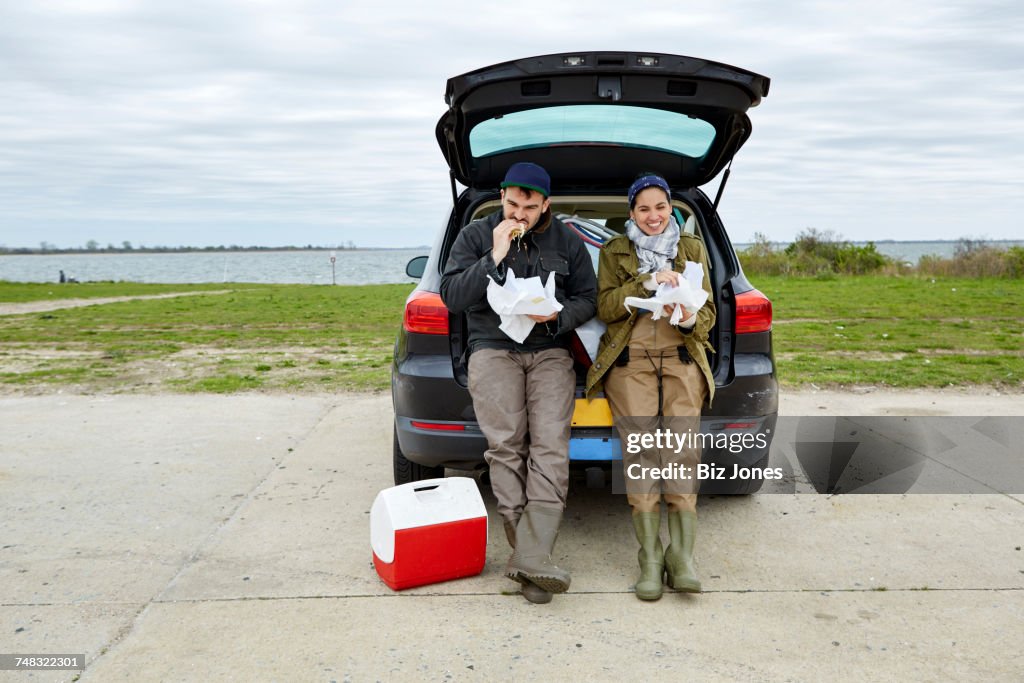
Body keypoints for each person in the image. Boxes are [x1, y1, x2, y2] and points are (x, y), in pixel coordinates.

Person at [440, 162, 597, 604]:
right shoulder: (476, 236)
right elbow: (452, 296)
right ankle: (529, 557)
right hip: (491, 348)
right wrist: (493, 255)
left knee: (550, 444)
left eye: (530, 206)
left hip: (549, 350)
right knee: (506, 445)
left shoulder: (567, 240)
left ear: (546, 204)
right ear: (502, 196)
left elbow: (587, 297)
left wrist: (559, 316)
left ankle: (531, 557)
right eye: (512, 204)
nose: (519, 214)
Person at [585, 173, 716, 601]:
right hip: (630, 359)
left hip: (681, 356)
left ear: (671, 208)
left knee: (680, 449)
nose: (653, 216)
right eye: (643, 209)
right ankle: (650, 558)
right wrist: (645, 283)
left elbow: (710, 310)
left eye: (660, 207)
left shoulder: (692, 248)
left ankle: (682, 558)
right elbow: (604, 307)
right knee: (640, 451)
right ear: (631, 213)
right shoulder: (613, 250)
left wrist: (691, 317)